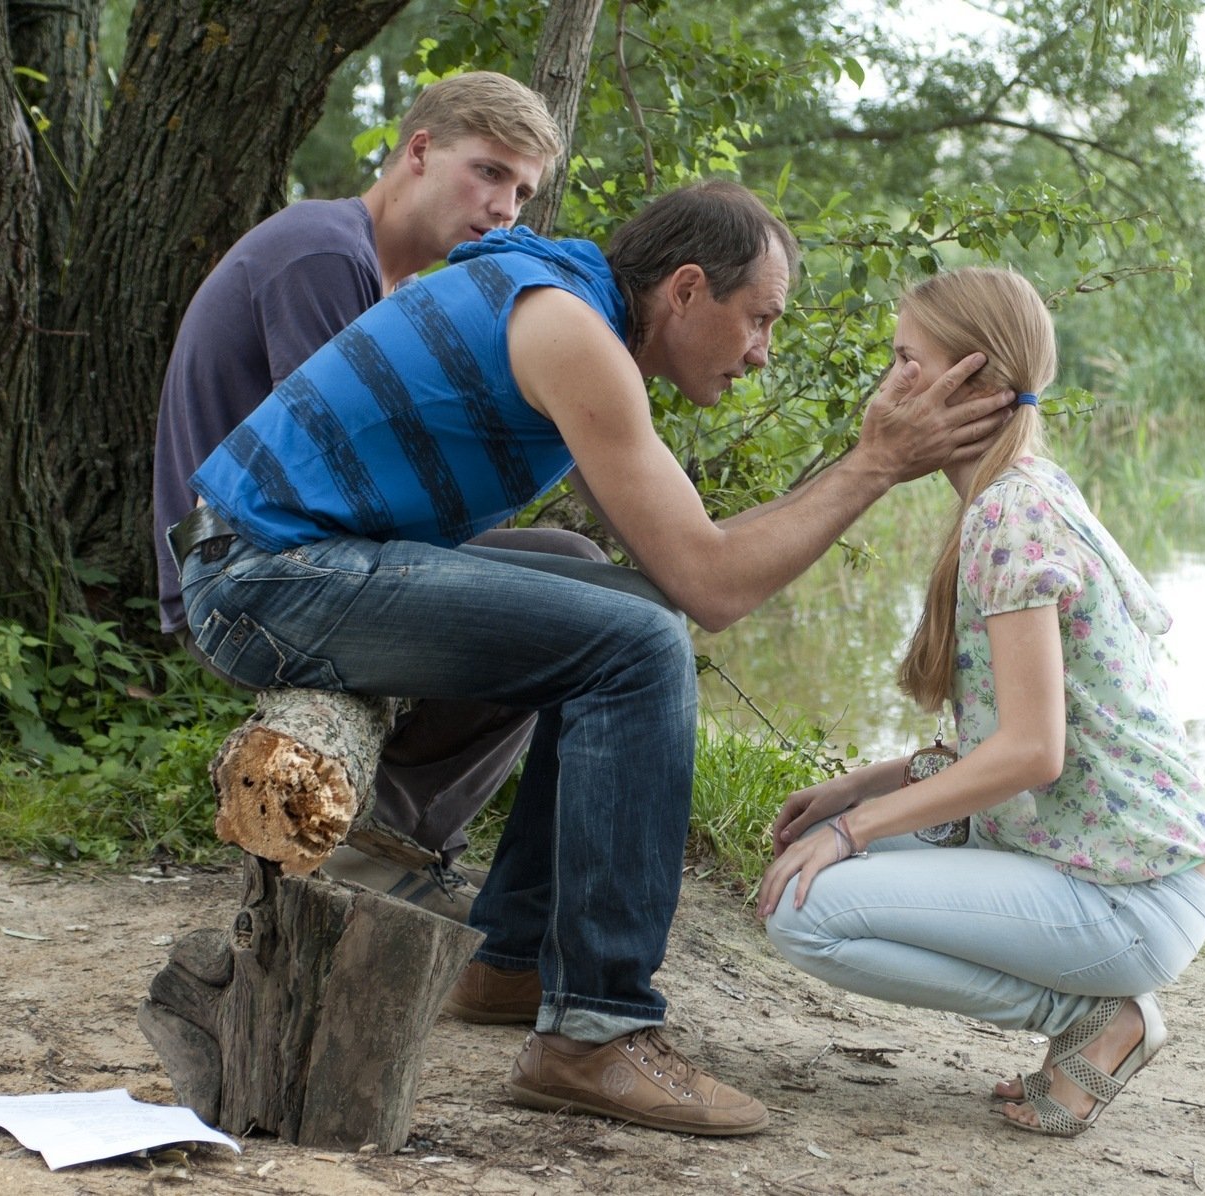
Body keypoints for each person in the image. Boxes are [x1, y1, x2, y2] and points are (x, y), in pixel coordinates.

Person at [169, 180, 1013, 1136]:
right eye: (759, 320)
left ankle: (511, 961)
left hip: (283, 564)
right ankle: (596, 1032)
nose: (763, 354)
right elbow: (717, 586)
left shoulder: (562, 308)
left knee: (606, 595)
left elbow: (689, 561)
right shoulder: (569, 333)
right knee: (639, 643)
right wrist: (875, 463)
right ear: (687, 290)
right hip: (263, 581)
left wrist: (869, 463)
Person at [758, 267, 1205, 1138]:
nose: (887, 386)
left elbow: (1032, 754)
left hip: (1129, 895)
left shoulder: (1012, 515)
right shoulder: (1025, 491)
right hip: (1123, 873)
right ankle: (1093, 1009)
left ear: (967, 382)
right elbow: (1042, 742)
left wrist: (853, 829)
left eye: (906, 362)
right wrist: (870, 785)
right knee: (819, 871)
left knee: (803, 909)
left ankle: (1095, 1018)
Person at [152, 72, 595, 918]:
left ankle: (398, 831)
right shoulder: (323, 252)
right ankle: (386, 836)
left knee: (569, 570)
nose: (507, 208)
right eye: (490, 171)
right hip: (249, 570)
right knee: (563, 595)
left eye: (525, 191)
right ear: (419, 151)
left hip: (303, 553)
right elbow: (327, 477)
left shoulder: (384, 280)